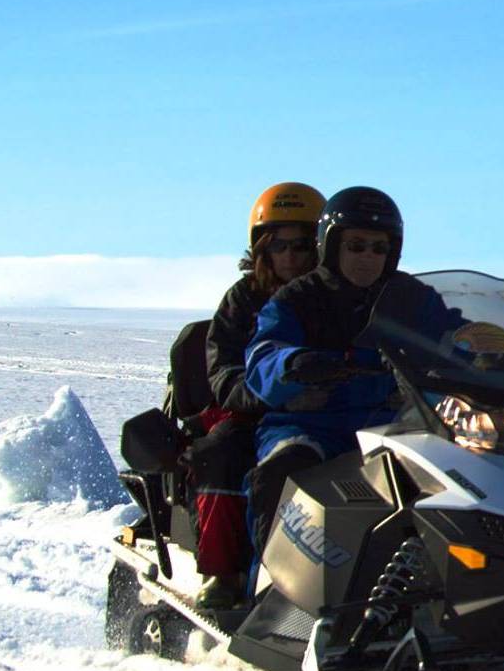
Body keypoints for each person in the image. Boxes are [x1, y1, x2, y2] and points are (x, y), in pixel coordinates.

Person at [243, 187, 452, 554]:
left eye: (378, 248)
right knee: (281, 472)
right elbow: (263, 354)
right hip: (313, 425)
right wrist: (292, 363)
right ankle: (270, 591)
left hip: (399, 425)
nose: (368, 257)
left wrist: (501, 354)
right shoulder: (298, 298)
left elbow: (455, 335)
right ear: (331, 245)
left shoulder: (414, 298)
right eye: (356, 246)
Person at [189, 182, 324, 609]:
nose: (290, 256)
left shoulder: (336, 296)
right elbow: (223, 370)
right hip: (251, 412)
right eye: (279, 244)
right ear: (262, 248)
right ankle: (224, 574)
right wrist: (264, 395)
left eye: (301, 245)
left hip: (328, 411)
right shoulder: (243, 300)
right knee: (223, 453)